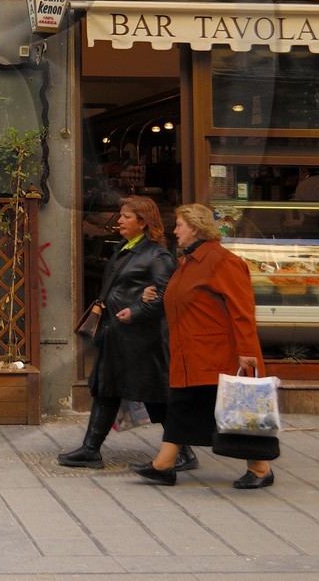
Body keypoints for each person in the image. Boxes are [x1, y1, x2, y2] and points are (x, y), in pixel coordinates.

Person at [134, 203, 277, 490]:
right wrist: (154, 295)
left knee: (236, 410)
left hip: (217, 354)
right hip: (192, 354)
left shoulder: (222, 262)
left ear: (195, 228)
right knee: (183, 407)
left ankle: (261, 468)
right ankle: (164, 465)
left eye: (179, 225)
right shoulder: (189, 262)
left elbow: (242, 309)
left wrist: (247, 350)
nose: (175, 231)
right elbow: (183, 299)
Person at [58, 196, 195, 471]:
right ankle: (90, 449)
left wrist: (136, 311)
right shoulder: (125, 247)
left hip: (143, 340)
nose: (119, 221)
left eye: (126, 217)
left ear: (143, 222)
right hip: (118, 334)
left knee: (156, 397)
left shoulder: (158, 255)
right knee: (106, 389)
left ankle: (184, 452)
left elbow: (165, 297)